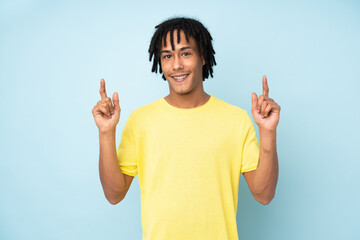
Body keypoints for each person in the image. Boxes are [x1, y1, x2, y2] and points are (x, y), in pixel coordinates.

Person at [92, 17, 280, 240]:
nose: (177, 65)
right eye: (167, 56)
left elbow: (264, 194)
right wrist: (106, 133)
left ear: (202, 56)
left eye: (186, 53)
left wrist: (268, 132)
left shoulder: (236, 120)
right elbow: (114, 195)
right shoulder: (140, 120)